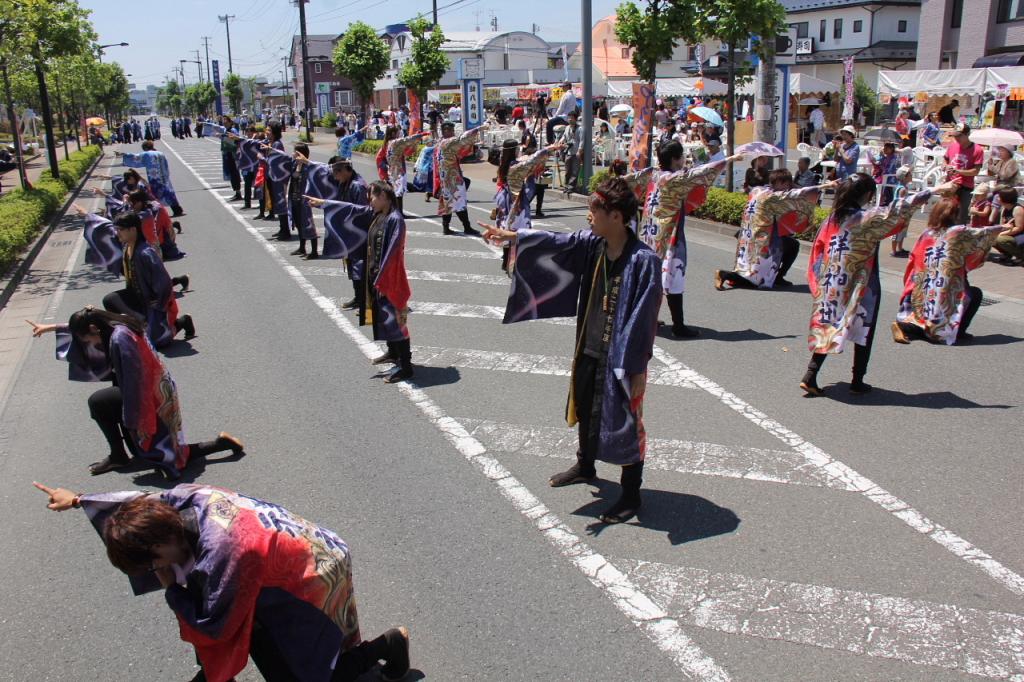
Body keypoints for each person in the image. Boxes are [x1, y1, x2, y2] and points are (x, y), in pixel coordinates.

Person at [33, 482, 411, 682]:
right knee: (274, 646)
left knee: (305, 673)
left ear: (162, 542)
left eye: (153, 562)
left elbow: (215, 626)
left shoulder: (224, 554)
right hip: (291, 551)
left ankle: (387, 644)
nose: (154, 568)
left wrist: (170, 590)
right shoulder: (180, 501)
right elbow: (134, 501)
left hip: (313, 573)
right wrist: (80, 499)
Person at [479, 178, 662, 524]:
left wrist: (637, 369)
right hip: (590, 344)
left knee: (624, 421)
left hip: (622, 360)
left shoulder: (643, 261)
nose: (589, 215)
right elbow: (559, 242)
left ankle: (631, 495)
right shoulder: (594, 244)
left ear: (618, 217)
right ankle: (585, 464)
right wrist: (515, 238)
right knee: (585, 402)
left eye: (595, 209)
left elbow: (645, 319)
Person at [27, 308, 241, 477]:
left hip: (151, 396)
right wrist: (51, 327)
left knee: (163, 453)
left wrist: (132, 420)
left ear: (94, 329)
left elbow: (133, 384)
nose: (91, 344)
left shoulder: (120, 339)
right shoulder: (117, 321)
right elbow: (86, 324)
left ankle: (219, 444)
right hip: (159, 387)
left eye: (88, 340)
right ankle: (122, 454)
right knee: (159, 444)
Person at [800, 175, 956, 396]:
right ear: (866, 195)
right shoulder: (864, 219)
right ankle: (857, 380)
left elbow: (817, 250)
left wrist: (818, 281)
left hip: (831, 283)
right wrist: (936, 189)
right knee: (865, 328)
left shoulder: (832, 218)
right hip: (861, 284)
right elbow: (898, 209)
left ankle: (810, 375)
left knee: (829, 325)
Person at [307, 182, 414, 383]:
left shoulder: (395, 220)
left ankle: (407, 367)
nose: (369, 201)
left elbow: (393, 253)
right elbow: (351, 210)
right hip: (376, 274)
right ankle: (393, 353)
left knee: (396, 320)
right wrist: (324, 204)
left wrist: (384, 278)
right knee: (383, 316)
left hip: (390, 278)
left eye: (372, 197)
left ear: (383, 195)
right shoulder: (376, 214)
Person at [637, 141, 740, 337]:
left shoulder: (654, 174)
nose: (683, 159)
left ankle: (646, 318)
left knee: (650, 276)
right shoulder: (675, 179)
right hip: (669, 234)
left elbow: (630, 179)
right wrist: (727, 160)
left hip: (649, 232)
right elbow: (700, 174)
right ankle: (678, 326)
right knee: (673, 275)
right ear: (675, 159)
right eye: (681, 156)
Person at [892, 198, 1002, 345]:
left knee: (926, 312)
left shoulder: (926, 233)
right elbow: (984, 234)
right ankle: (958, 331)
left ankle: (906, 326)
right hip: (946, 285)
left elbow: (913, 258)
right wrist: (1003, 227)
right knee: (973, 294)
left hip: (923, 284)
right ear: (955, 214)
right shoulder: (958, 232)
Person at [79, 208, 194, 346]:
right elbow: (106, 230)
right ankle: (136, 329)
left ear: (133, 230)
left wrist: (158, 303)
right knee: (110, 300)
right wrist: (88, 215)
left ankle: (182, 322)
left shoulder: (146, 253)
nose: (117, 233)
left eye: (120, 229)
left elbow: (164, 282)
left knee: (158, 342)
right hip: (136, 295)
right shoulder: (127, 246)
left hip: (153, 300)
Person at [714, 169, 830, 290]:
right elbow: (798, 194)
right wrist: (825, 185)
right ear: (779, 182)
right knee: (754, 279)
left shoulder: (758, 190)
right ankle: (724, 274)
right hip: (762, 240)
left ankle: (778, 277)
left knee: (792, 245)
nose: (787, 188)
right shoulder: (772, 196)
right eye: (786, 184)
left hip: (748, 236)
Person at [301, 155, 371, 309]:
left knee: (360, 267)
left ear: (345, 170)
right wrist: (307, 163)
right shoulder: (345, 182)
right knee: (352, 266)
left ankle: (364, 299)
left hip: (359, 233)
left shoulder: (357, 185)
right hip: (350, 231)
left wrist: (329, 204)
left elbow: (362, 211)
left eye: (336, 173)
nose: (334, 177)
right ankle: (358, 297)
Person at [492, 139, 563, 271]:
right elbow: (532, 160)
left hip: (507, 200)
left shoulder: (505, 164)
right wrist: (551, 148)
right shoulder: (515, 167)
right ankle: (514, 262)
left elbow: (529, 160)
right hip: (516, 203)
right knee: (518, 230)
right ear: (514, 150)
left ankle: (507, 260)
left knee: (508, 228)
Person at [433, 121, 486, 236]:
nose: (452, 133)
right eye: (451, 130)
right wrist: (479, 129)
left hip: (444, 177)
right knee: (459, 202)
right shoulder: (448, 142)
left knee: (448, 202)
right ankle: (466, 227)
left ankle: (446, 227)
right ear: (446, 131)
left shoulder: (439, 143)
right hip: (452, 177)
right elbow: (463, 138)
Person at [114, 142, 184, 217]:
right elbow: (166, 165)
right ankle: (177, 209)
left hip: (155, 178)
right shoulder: (160, 153)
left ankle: (158, 213)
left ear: (145, 148)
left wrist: (123, 154)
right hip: (164, 177)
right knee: (169, 193)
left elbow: (135, 158)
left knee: (155, 196)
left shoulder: (147, 154)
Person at [944, 122, 985, 225]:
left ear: (967, 135)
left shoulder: (977, 150)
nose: (957, 139)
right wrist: (945, 166)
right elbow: (945, 160)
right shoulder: (952, 146)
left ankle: (959, 235)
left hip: (965, 185)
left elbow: (975, 171)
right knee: (947, 211)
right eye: (955, 136)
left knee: (961, 214)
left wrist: (958, 171)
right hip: (951, 183)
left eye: (959, 136)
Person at [385, 128, 430, 215]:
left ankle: (398, 212)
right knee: (399, 193)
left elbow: (407, 149)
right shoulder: (395, 142)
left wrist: (416, 139)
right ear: (394, 133)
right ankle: (399, 213)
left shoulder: (389, 143)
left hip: (394, 170)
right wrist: (421, 135)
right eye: (398, 132)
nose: (400, 133)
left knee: (398, 192)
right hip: (398, 170)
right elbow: (407, 140)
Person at [991, 187, 1024, 264]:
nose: (997, 198)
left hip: (1019, 235)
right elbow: (1003, 225)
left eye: (999, 196)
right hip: (1012, 233)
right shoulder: (1005, 208)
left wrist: (1002, 234)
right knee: (990, 237)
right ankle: (1007, 254)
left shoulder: (1017, 209)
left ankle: (1021, 256)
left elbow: (1019, 228)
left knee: (1000, 239)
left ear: (1005, 198)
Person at [560, 111, 585, 195]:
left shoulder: (580, 129)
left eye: (572, 118)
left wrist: (579, 151)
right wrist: (560, 142)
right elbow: (564, 137)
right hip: (568, 152)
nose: (570, 119)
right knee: (567, 171)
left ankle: (571, 187)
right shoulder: (567, 128)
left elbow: (582, 141)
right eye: (569, 118)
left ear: (575, 119)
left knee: (575, 171)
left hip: (576, 153)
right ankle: (566, 186)